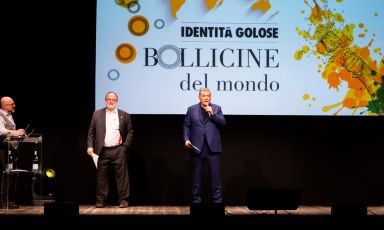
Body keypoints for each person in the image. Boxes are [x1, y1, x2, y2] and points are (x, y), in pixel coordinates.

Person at [87, 92, 133, 208]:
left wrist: (125, 147)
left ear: (116, 101)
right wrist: (90, 146)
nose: (111, 101)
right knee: (101, 177)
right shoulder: (97, 114)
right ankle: (101, 200)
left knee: (122, 177)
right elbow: (91, 132)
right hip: (102, 150)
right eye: (109, 99)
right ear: (105, 100)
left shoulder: (124, 115)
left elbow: (130, 132)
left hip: (118, 150)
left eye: (113, 99)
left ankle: (123, 200)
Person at [183, 88, 226, 204]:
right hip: (197, 148)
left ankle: (217, 201)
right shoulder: (191, 110)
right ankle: (196, 201)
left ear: (210, 97)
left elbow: (223, 123)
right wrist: (186, 139)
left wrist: (212, 113)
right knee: (196, 177)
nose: (206, 98)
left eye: (208, 96)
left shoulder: (216, 108)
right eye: (203, 95)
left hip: (213, 148)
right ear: (199, 97)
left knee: (215, 178)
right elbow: (186, 126)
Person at [0, 96, 26, 209]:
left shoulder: (10, 116)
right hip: (3, 148)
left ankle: (10, 200)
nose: (14, 105)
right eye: (12, 104)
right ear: (5, 106)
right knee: (5, 175)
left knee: (12, 174)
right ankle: (3, 201)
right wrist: (16, 132)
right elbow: (1, 131)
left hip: (12, 149)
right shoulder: (0, 115)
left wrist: (20, 134)